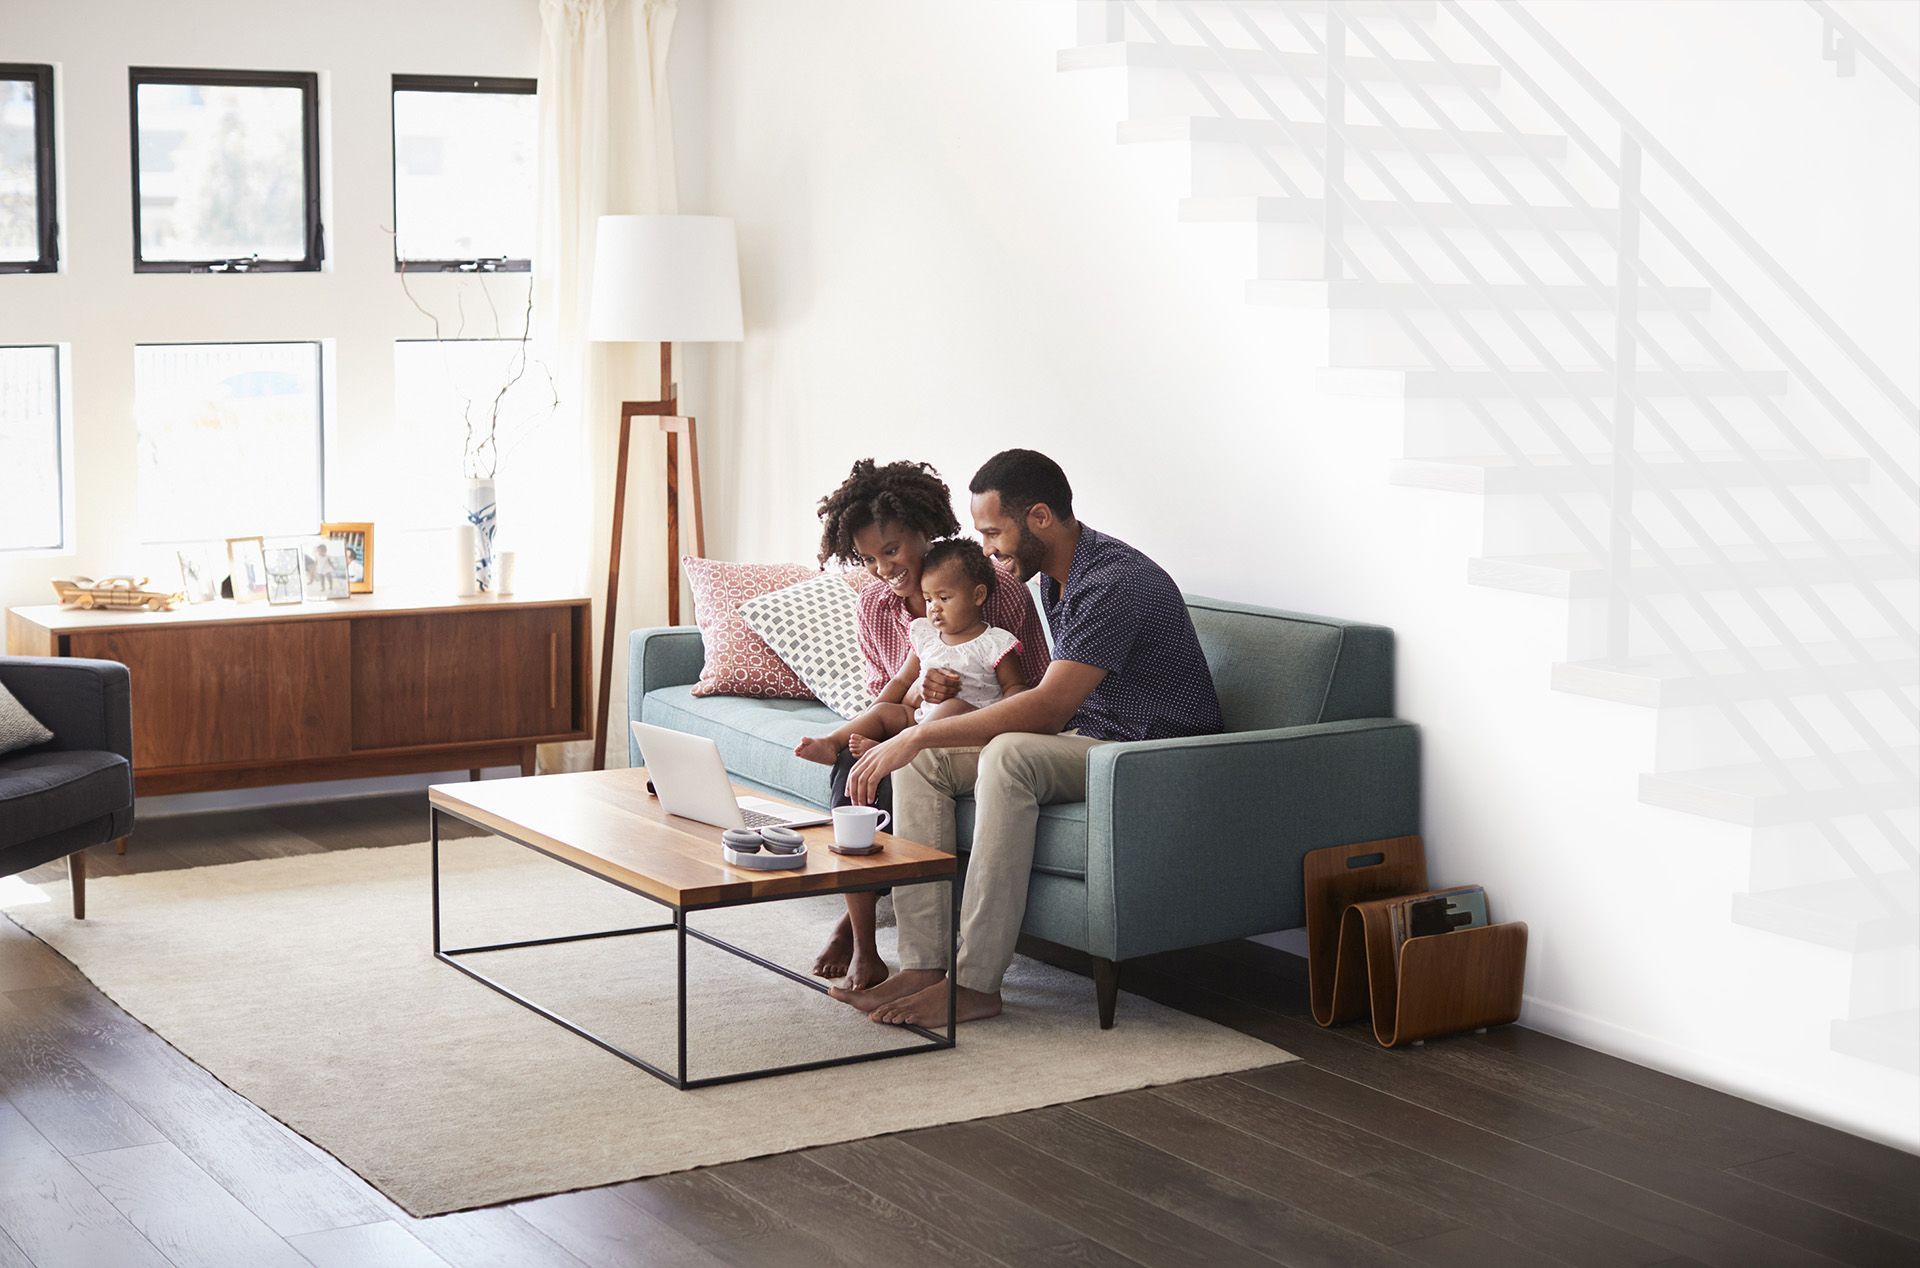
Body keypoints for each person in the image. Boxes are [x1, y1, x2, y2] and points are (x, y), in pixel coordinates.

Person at [834, 449, 1223, 1027]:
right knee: (922, 764)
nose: (987, 550)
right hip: (1094, 738)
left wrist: (914, 736)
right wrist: (917, 740)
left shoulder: (1112, 581)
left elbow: (1045, 707)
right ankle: (923, 966)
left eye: (993, 533)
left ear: (1039, 517)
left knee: (1006, 754)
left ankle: (975, 984)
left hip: (1149, 753)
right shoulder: (1061, 580)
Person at [808, 460, 1051, 991]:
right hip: (911, 721)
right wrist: (917, 697)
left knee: (897, 765)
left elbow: (1030, 687)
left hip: (977, 727)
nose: (883, 569)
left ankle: (860, 929)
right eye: (869, 558)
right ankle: (864, 943)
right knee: (852, 767)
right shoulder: (874, 604)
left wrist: (944, 702)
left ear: (924, 531)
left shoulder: (995, 589)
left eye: (892, 550)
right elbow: (888, 692)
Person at [796, 539, 1028, 764]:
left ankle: (891, 748)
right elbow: (901, 680)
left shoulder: (995, 643)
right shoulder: (926, 635)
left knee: (953, 706)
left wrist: (1002, 719)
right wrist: (873, 712)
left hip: (969, 725)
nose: (934, 608)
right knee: (884, 712)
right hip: (922, 719)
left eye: (943, 598)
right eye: (928, 599)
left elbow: (1015, 688)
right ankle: (832, 742)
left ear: (978, 595)